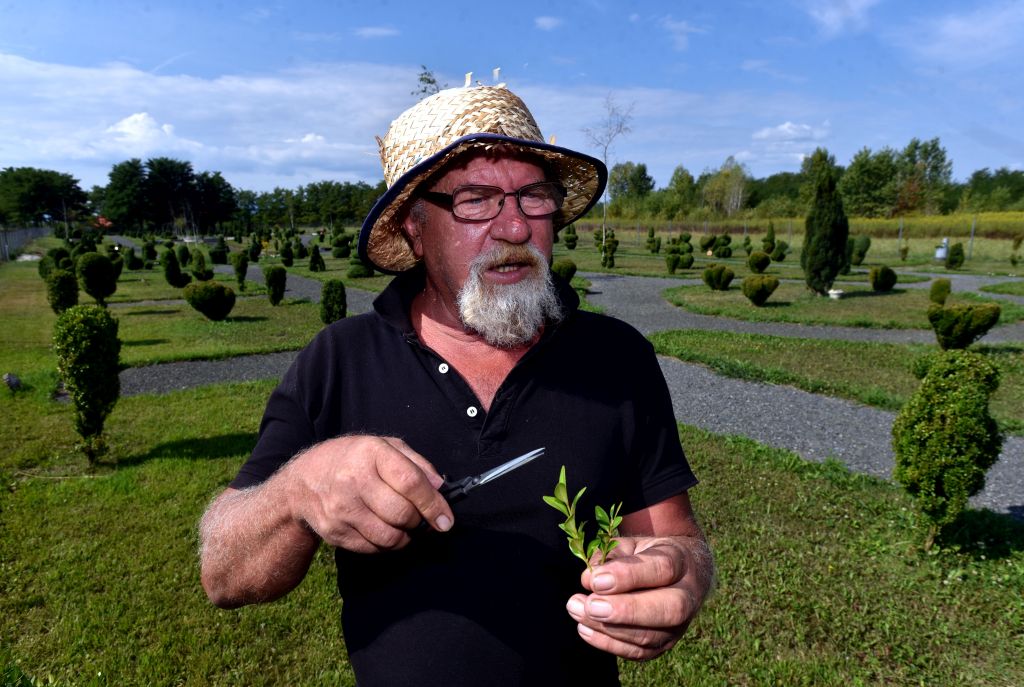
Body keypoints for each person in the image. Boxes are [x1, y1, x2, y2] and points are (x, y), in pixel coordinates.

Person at [199, 84, 714, 687]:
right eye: (475, 201)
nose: (516, 227)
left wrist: (683, 574)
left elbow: (675, 540)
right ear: (415, 229)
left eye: (533, 197)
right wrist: (296, 490)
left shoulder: (616, 357)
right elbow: (223, 573)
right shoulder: (338, 358)